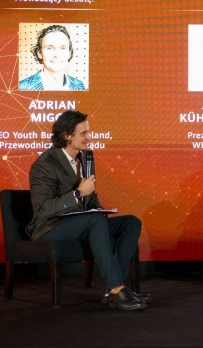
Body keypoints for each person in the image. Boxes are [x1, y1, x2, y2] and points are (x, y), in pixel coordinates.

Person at [27, 110, 149, 310]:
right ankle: (117, 289)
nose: (89, 137)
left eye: (88, 132)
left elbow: (90, 196)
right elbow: (42, 209)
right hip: (50, 227)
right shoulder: (45, 164)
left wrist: (99, 209)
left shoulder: (85, 159)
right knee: (94, 220)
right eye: (83, 133)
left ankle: (115, 287)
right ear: (67, 135)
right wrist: (77, 194)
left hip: (82, 222)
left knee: (131, 222)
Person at [19, 24, 86, 91]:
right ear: (39, 53)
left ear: (69, 53)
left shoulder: (79, 86)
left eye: (62, 48)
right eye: (49, 48)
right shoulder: (22, 87)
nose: (57, 55)